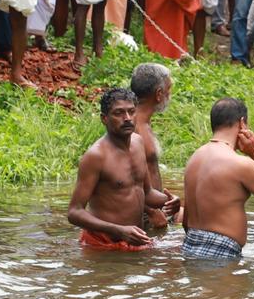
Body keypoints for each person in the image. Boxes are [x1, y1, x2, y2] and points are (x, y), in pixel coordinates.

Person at [67, 88, 179, 251]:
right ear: (104, 119)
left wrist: (170, 201)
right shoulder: (96, 156)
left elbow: (146, 193)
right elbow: (74, 212)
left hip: (136, 239)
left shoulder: (138, 143)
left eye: (131, 112)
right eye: (118, 113)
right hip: (102, 244)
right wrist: (118, 229)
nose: (127, 118)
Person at [182, 98, 254, 260]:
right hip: (221, 253)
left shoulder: (194, 159)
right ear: (242, 124)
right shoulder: (241, 164)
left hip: (189, 246)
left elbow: (185, 222)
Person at [130, 63, 180, 228]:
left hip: (155, 208)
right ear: (159, 94)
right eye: (169, 89)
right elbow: (122, 179)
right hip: (143, 214)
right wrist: (151, 212)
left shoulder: (142, 123)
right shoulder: (133, 127)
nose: (170, 94)